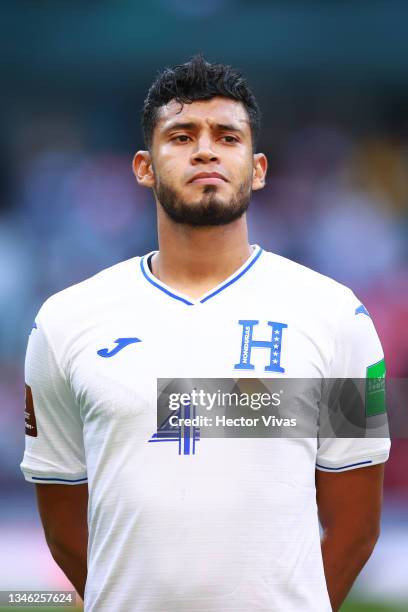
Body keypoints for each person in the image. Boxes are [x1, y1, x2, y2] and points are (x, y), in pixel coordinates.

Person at [21, 55, 390, 612]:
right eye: (181, 135)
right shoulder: (64, 322)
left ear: (258, 168)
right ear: (144, 167)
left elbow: (357, 526)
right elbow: (63, 520)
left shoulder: (341, 316)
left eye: (227, 136)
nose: (205, 150)